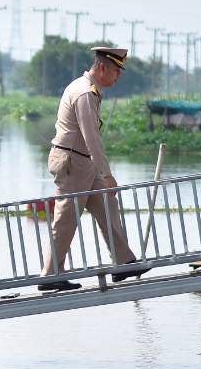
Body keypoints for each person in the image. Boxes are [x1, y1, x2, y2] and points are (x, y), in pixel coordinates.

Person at [39, 46, 143, 291]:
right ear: (103, 67)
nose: (118, 76)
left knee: (107, 205)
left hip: (82, 161)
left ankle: (123, 262)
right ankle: (50, 275)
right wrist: (107, 174)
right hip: (73, 161)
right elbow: (91, 138)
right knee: (66, 219)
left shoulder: (86, 89)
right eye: (117, 71)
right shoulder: (85, 93)